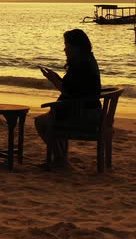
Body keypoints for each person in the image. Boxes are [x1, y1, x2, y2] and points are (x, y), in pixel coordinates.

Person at [35, 29, 101, 167]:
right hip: (93, 111)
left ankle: (60, 158)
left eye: (67, 46)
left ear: (76, 47)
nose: (65, 49)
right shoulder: (88, 60)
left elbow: (68, 91)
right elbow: (74, 87)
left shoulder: (80, 66)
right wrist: (57, 78)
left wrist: (53, 80)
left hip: (83, 113)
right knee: (51, 116)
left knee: (40, 122)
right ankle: (61, 157)